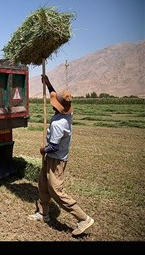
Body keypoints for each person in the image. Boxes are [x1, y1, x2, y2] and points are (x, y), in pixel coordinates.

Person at [28, 75, 94, 236]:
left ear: (57, 107)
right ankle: (43, 214)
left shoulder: (59, 124)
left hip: (56, 159)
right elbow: (55, 94)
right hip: (52, 158)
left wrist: (44, 150)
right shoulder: (67, 114)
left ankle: (83, 218)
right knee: (43, 183)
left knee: (56, 190)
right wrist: (49, 84)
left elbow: (53, 147)